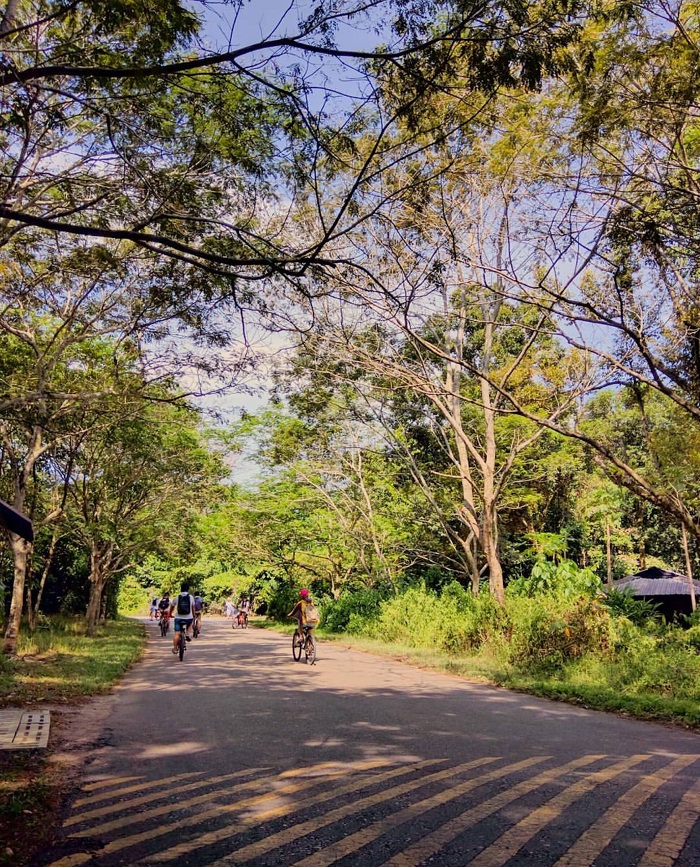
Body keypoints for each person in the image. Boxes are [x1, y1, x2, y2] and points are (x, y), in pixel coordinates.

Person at [170, 583, 195, 654]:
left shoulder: (177, 597)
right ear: (188, 589)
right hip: (188, 618)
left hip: (178, 618)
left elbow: (172, 607)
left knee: (177, 633)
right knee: (190, 623)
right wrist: (193, 615)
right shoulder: (191, 597)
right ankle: (187, 634)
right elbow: (193, 607)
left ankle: (175, 649)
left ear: (181, 589)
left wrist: (170, 614)